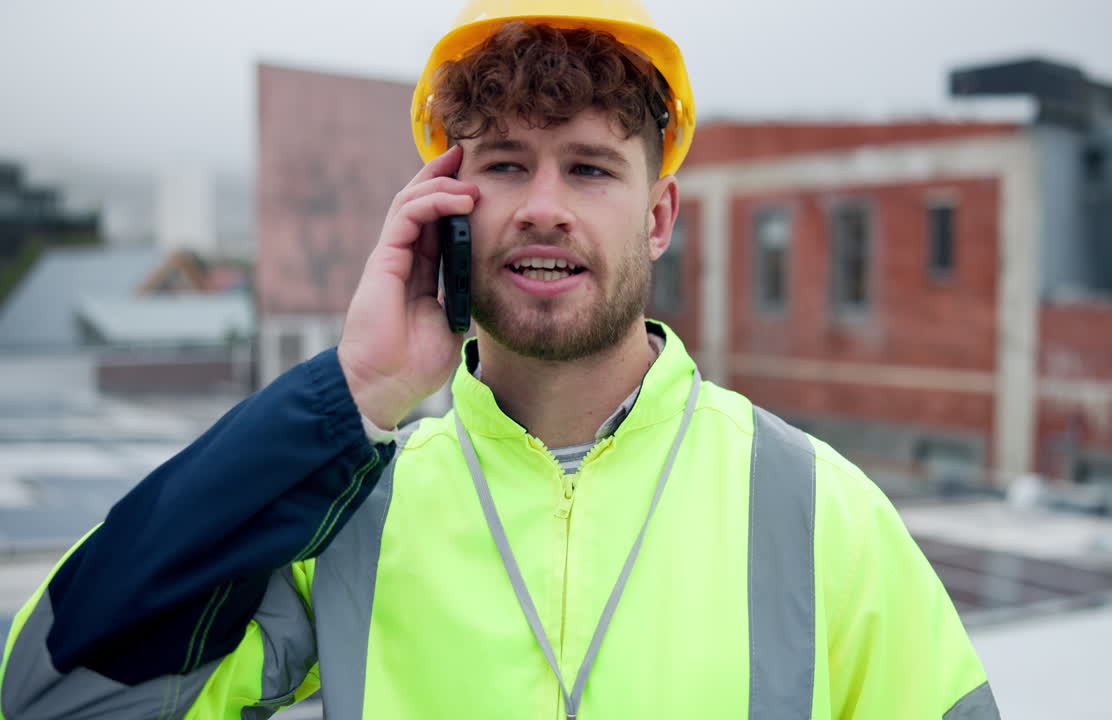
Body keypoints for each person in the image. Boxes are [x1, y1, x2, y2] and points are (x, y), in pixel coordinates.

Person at [0, 1, 1000, 718]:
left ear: (657, 218)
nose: (543, 204)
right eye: (506, 165)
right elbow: (54, 693)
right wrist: (348, 396)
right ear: (443, 199)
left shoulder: (818, 510)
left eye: (589, 167)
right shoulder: (352, 516)